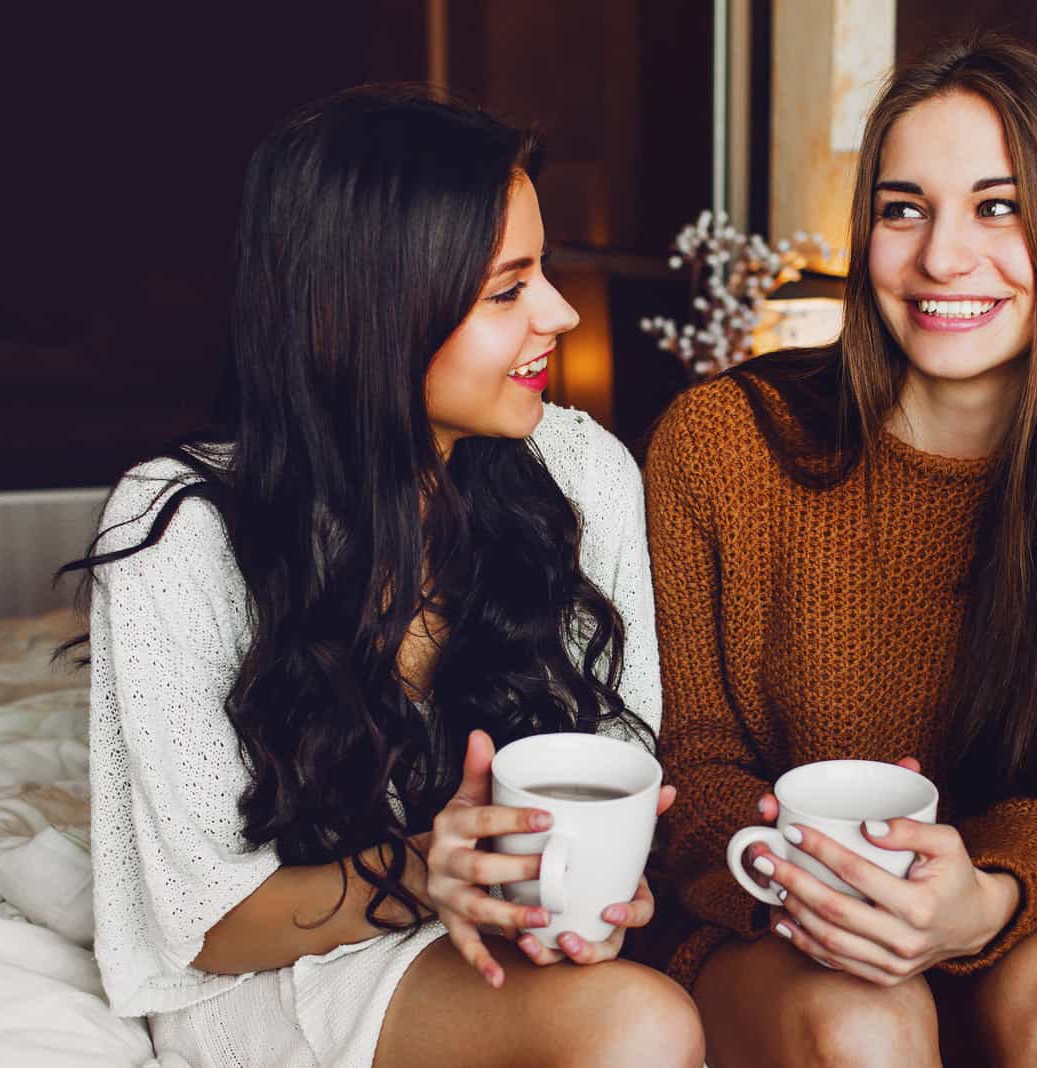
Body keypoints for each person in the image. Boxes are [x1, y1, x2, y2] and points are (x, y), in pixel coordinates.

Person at [62, 88, 703, 1068]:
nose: (562, 313)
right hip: (274, 968)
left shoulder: (584, 473)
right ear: (366, 312)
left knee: (638, 1003)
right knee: (639, 1024)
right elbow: (207, 923)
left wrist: (610, 887)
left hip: (500, 949)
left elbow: (620, 763)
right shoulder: (178, 527)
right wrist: (422, 872)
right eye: (507, 289)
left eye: (546, 272)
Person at [644, 35, 1037, 1066]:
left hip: (1009, 894)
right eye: (902, 208)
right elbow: (696, 762)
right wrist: (822, 895)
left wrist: (982, 903)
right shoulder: (720, 442)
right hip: (780, 907)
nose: (943, 257)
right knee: (869, 1025)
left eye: (998, 206)